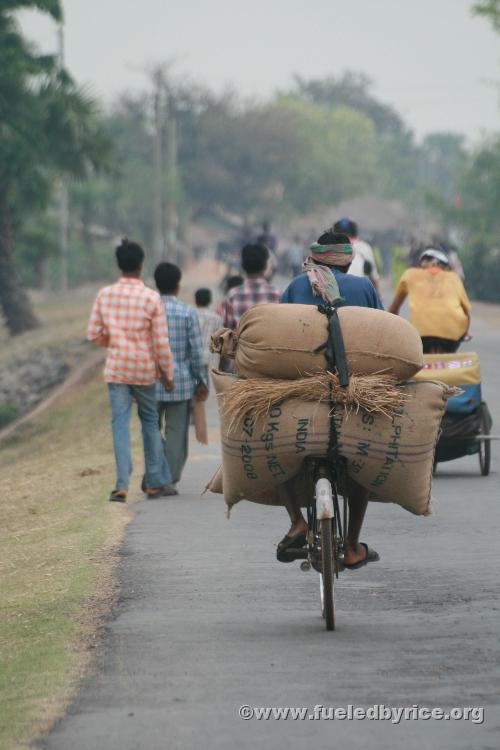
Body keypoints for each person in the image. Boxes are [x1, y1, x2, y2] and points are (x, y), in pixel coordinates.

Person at [279, 230, 382, 569]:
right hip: (354, 391)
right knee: (360, 465)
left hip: (301, 389)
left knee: (273, 444)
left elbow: (277, 341)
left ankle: (297, 521)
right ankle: (352, 545)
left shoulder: (296, 286)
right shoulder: (364, 287)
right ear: (349, 260)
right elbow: (385, 336)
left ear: (316, 257)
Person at [86, 239, 175, 502]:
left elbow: (93, 333)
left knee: (119, 426)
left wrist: (112, 342)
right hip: (144, 370)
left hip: (116, 370)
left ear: (119, 265)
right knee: (149, 423)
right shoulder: (151, 298)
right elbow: (161, 343)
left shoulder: (105, 294)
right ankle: (154, 482)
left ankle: (121, 484)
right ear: (140, 265)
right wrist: (167, 375)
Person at [154, 263, 208, 487]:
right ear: (178, 286)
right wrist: (201, 380)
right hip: (181, 382)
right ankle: (169, 479)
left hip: (150, 380)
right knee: (176, 432)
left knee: (151, 429)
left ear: (156, 285)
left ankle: (154, 473)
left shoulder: (148, 311)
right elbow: (196, 352)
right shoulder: (188, 313)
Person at [389, 248, 471, 353]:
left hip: (420, 334)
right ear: (445, 266)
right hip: (451, 336)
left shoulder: (410, 274)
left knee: (417, 358)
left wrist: (391, 328)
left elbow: (394, 307)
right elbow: (467, 313)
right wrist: (465, 332)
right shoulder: (454, 278)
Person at [220, 244, 281, 330]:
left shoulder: (232, 295)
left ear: (242, 266)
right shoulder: (277, 294)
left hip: (242, 342)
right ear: (265, 266)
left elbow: (228, 330)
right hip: (269, 343)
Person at [333, 218, 382, 299]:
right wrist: (379, 296)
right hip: (360, 292)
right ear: (355, 232)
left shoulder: (329, 248)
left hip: (336, 292)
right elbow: (374, 277)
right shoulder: (364, 247)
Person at [194, 287, 223, 377]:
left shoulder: (191, 315)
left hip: (194, 359)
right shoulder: (217, 318)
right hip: (212, 360)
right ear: (210, 300)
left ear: (196, 300)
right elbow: (220, 342)